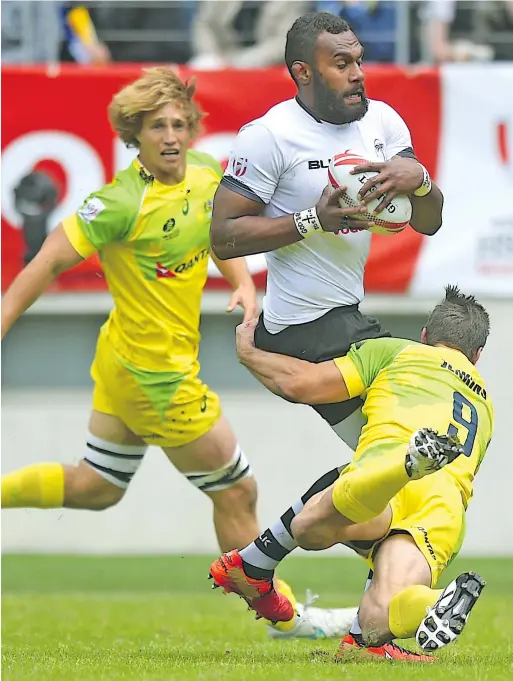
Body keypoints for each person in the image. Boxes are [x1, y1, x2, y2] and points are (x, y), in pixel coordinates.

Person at [0, 67, 356, 640]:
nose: (171, 136)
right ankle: (282, 617)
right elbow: (45, 261)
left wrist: (240, 280)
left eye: (180, 124)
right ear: (133, 135)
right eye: (157, 126)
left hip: (123, 364)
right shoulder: (118, 203)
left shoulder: (205, 173)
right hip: (155, 378)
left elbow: (222, 235)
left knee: (97, 487)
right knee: (236, 490)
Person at [210, 10, 444, 656]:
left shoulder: (384, 124)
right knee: (405, 480)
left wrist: (418, 179)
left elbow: (428, 221)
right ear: (303, 72)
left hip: (349, 321)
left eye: (358, 60)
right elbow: (223, 235)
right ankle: (367, 625)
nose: (357, 74)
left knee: (385, 491)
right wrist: (311, 218)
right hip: (302, 332)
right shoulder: (269, 137)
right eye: (341, 64)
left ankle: (257, 563)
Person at [210, 285, 493, 661]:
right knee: (376, 622)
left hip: (383, 475)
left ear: (425, 335)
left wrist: (249, 354)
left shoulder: (396, 352)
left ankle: (403, 466)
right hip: (443, 509)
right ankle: (434, 604)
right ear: (477, 356)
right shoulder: (486, 406)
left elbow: (300, 384)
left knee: (310, 530)